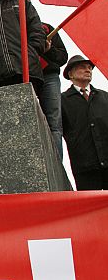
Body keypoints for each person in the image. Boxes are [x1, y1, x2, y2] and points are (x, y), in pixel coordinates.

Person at [61, 55, 108, 190]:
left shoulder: (105, 97)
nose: (88, 70)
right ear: (70, 74)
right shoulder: (62, 101)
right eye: (82, 67)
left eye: (90, 68)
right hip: (85, 167)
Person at [38, 24, 68, 159]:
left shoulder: (46, 28)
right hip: (22, 77)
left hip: (48, 77)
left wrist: (49, 50)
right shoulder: (11, 26)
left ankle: (56, 165)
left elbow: (62, 57)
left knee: (54, 123)